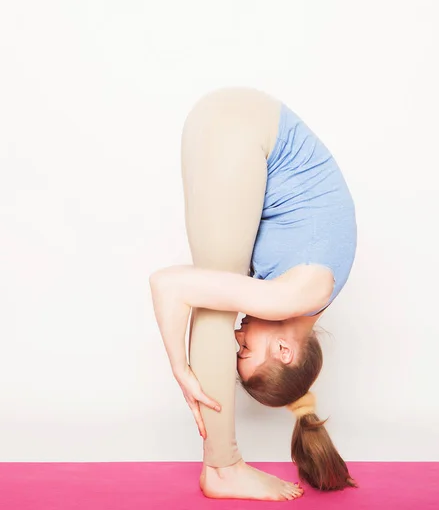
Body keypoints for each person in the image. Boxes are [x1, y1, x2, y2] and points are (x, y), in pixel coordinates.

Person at [149, 87, 357, 501]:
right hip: (239, 131)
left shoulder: (312, 290)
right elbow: (168, 284)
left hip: (233, 122)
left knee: (219, 295)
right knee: (215, 308)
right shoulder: (295, 295)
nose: (238, 340)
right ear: (284, 349)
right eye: (246, 351)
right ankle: (222, 467)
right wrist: (181, 370)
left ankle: (222, 467)